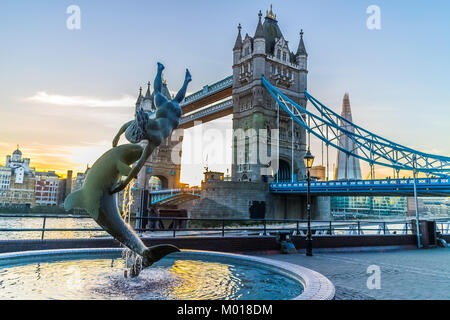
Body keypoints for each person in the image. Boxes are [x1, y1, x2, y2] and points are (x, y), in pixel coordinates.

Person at [111, 62, 191, 193]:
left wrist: (125, 183)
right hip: (163, 111)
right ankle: (160, 70)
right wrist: (117, 136)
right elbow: (127, 125)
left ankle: (186, 81)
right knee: (159, 92)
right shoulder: (146, 121)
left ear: (141, 137)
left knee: (176, 100)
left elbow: (139, 166)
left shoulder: (155, 140)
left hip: (174, 118)